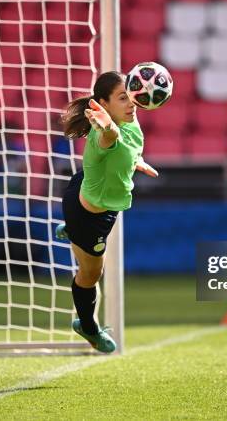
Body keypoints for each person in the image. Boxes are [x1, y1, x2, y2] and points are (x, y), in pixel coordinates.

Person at [56, 71, 158, 353]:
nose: (131, 103)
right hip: (87, 215)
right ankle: (87, 327)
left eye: (132, 95)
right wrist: (107, 126)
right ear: (103, 103)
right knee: (91, 275)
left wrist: (135, 161)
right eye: (123, 98)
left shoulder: (131, 119)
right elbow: (111, 137)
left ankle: (71, 233)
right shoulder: (104, 132)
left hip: (90, 193)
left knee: (88, 250)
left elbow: (129, 144)